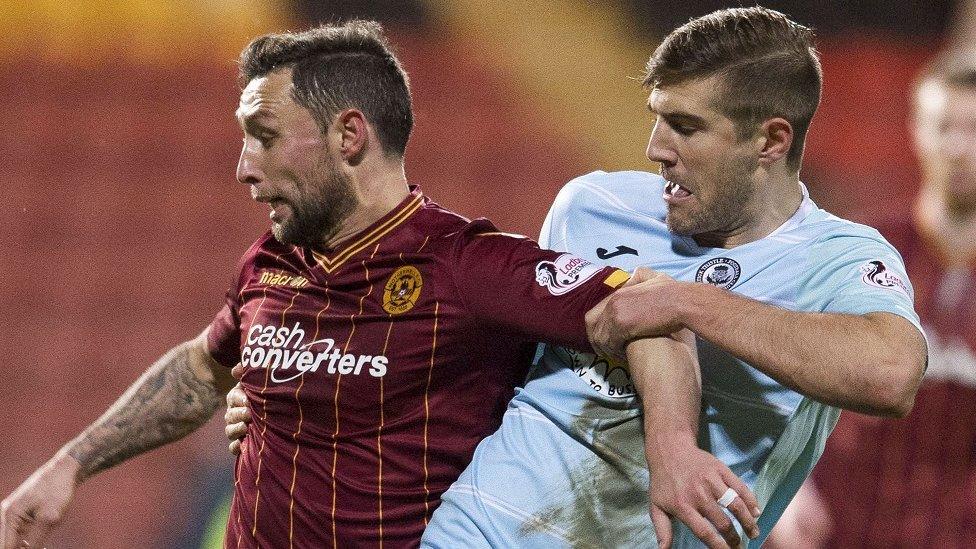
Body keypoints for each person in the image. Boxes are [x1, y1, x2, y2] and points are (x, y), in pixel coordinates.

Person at [0, 20, 753, 549]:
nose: (242, 165)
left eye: (263, 134)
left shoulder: (464, 266)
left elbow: (652, 311)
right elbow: (202, 365)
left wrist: (673, 448)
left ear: (349, 135)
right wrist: (71, 464)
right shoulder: (269, 264)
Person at [413, 7, 927, 548]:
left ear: (771, 142)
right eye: (658, 117)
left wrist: (687, 303)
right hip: (481, 531)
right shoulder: (593, 205)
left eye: (686, 126)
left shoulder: (837, 259)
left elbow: (890, 376)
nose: (656, 149)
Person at [776, 48, 976, 548]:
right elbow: (777, 376)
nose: (956, 146)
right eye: (942, 126)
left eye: (972, 128)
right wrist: (787, 487)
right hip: (844, 524)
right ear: (915, 130)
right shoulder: (861, 251)